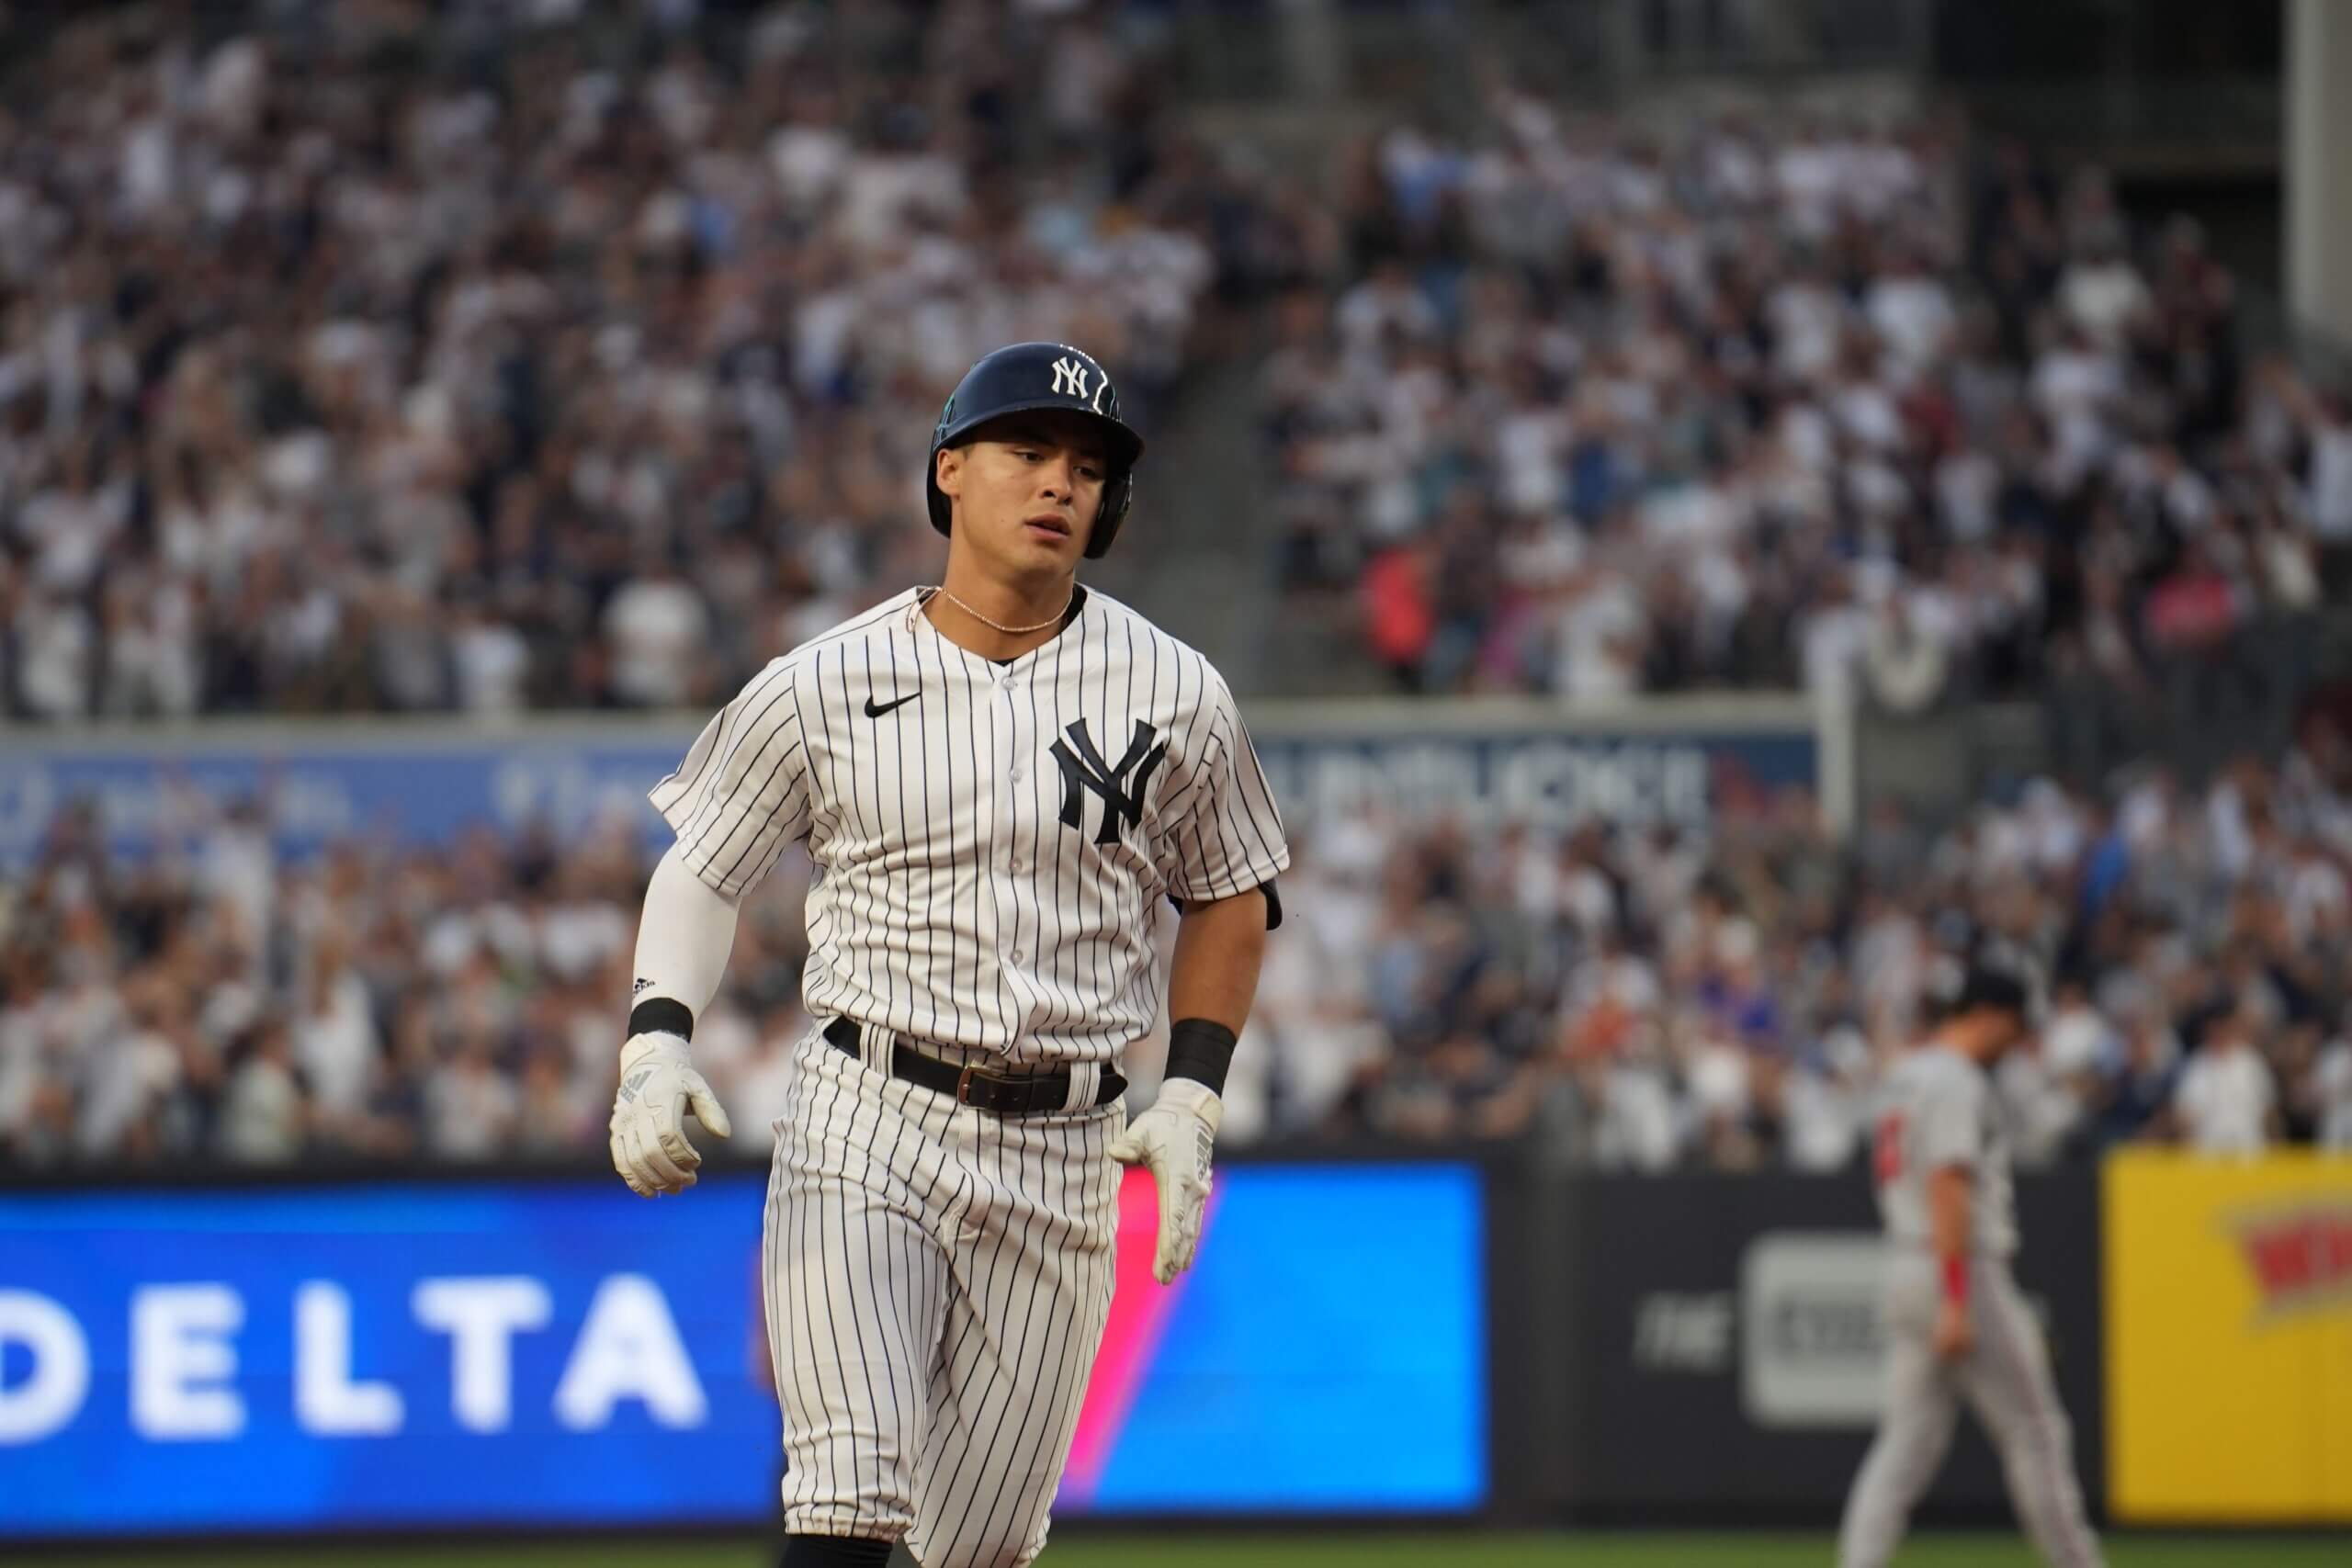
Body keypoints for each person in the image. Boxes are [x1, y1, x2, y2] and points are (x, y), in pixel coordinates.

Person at [606, 343, 1289, 1568]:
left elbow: (1231, 895)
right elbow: (705, 863)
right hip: (871, 1111)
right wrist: (656, 1040)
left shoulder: (1178, 689)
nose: (1060, 483)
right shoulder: (824, 678)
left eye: (1087, 466)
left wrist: (1191, 1088)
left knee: (974, 1548)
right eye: (1030, 452)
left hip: (1067, 1141)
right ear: (952, 470)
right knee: (849, 1491)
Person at [1839, 961, 2105, 1568]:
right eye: (2013, 1025)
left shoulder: (1905, 1074)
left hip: (1906, 1261)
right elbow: (1948, 1185)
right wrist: (1957, 1296)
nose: (2016, 1041)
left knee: (1903, 1446)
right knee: (2036, 1432)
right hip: (1955, 1266)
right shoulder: (1956, 1081)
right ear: (1985, 1015)